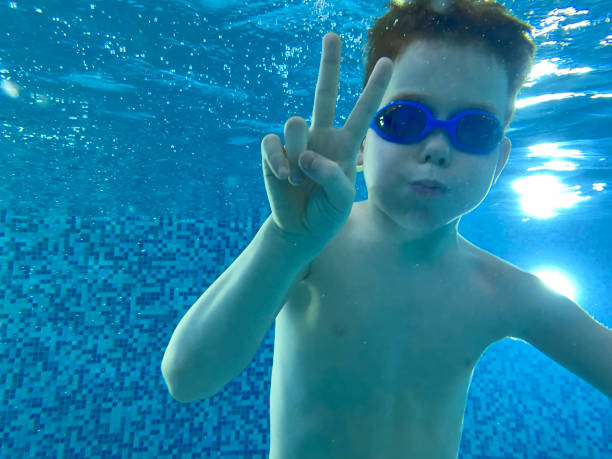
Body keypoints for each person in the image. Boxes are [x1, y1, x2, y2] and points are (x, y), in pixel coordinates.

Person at [161, 0, 612, 457]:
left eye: (473, 129)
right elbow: (187, 378)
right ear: (360, 144)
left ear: (498, 163)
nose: (437, 148)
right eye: (404, 119)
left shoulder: (501, 291)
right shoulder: (309, 246)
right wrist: (286, 242)